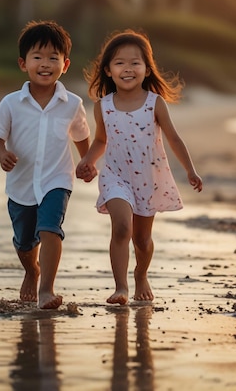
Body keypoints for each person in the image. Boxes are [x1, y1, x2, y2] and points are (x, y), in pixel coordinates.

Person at [76, 29, 203, 305]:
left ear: (147, 69)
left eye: (136, 62)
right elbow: (100, 140)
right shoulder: (103, 107)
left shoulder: (154, 103)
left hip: (147, 178)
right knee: (122, 228)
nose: (128, 68)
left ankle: (141, 274)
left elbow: (173, 138)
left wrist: (191, 170)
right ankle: (120, 287)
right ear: (108, 70)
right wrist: (88, 160)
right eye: (120, 63)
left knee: (143, 240)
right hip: (116, 177)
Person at [0, 20, 94, 309]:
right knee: (24, 242)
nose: (45, 64)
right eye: (37, 57)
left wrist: (87, 162)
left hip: (56, 180)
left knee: (50, 228)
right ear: (23, 63)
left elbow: (82, 137)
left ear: (65, 64)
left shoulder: (72, 103)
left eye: (53, 58)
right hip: (20, 184)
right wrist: (2, 154)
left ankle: (47, 289)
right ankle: (32, 270)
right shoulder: (11, 103)